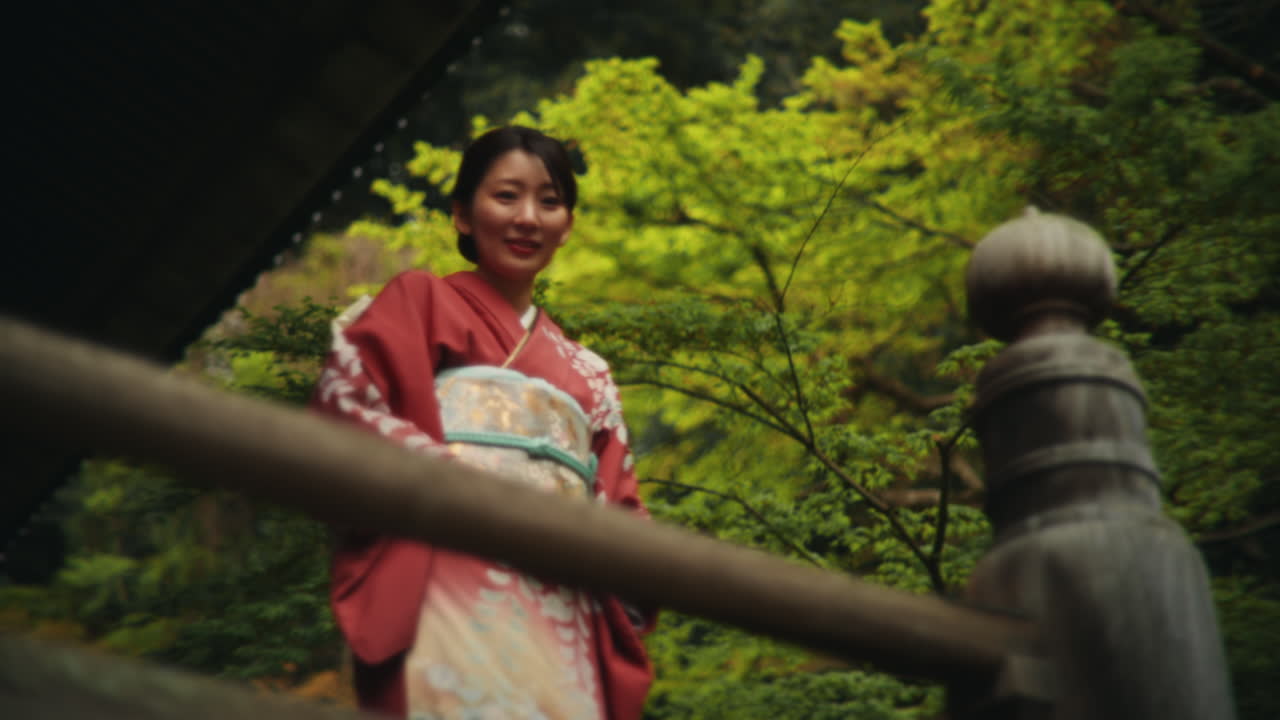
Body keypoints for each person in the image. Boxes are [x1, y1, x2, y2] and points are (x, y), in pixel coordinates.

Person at [311, 126, 655, 719]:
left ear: (567, 225)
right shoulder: (419, 302)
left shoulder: (590, 372)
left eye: (549, 202)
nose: (528, 217)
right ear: (462, 215)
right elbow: (347, 401)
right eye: (505, 196)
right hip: (447, 558)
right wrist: (453, 480)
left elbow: (620, 507)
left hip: (559, 594)